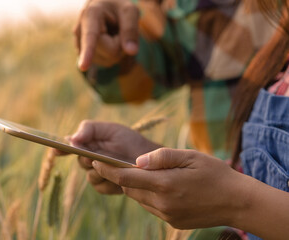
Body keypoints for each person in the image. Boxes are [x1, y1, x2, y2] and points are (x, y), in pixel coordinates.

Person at [63, 0, 289, 239]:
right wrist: (155, 163)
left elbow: (244, 198)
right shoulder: (276, 59)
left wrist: (235, 202)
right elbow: (261, 182)